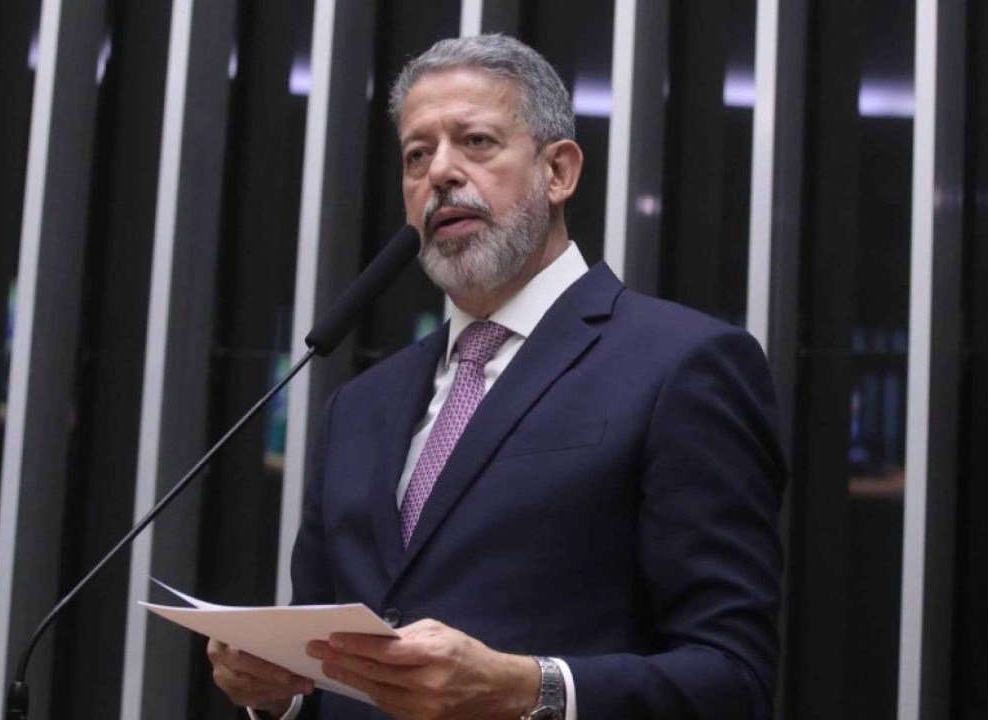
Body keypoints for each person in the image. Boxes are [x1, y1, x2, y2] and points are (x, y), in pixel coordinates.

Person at [208, 34, 785, 719]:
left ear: (558, 171)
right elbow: (328, 660)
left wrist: (526, 689)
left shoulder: (683, 365)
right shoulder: (358, 406)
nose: (440, 174)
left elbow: (733, 677)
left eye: (475, 142)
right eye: (416, 155)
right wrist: (278, 695)